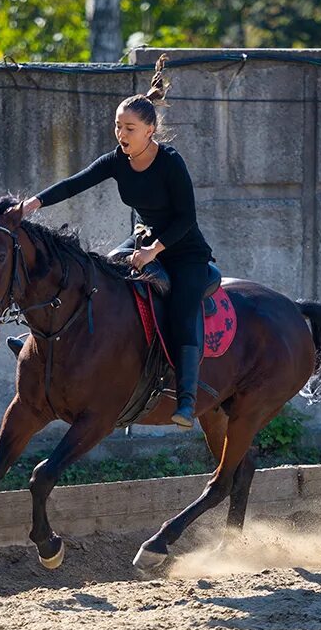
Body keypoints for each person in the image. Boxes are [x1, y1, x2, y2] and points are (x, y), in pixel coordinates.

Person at [14, 54, 215, 428]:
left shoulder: (171, 163)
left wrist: (154, 251)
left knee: (183, 310)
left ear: (150, 130)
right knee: (98, 276)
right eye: (118, 126)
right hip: (144, 242)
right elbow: (77, 181)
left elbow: (186, 218)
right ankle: (36, 345)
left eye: (131, 128)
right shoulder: (118, 160)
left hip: (184, 251)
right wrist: (33, 204)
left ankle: (186, 399)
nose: (122, 135)